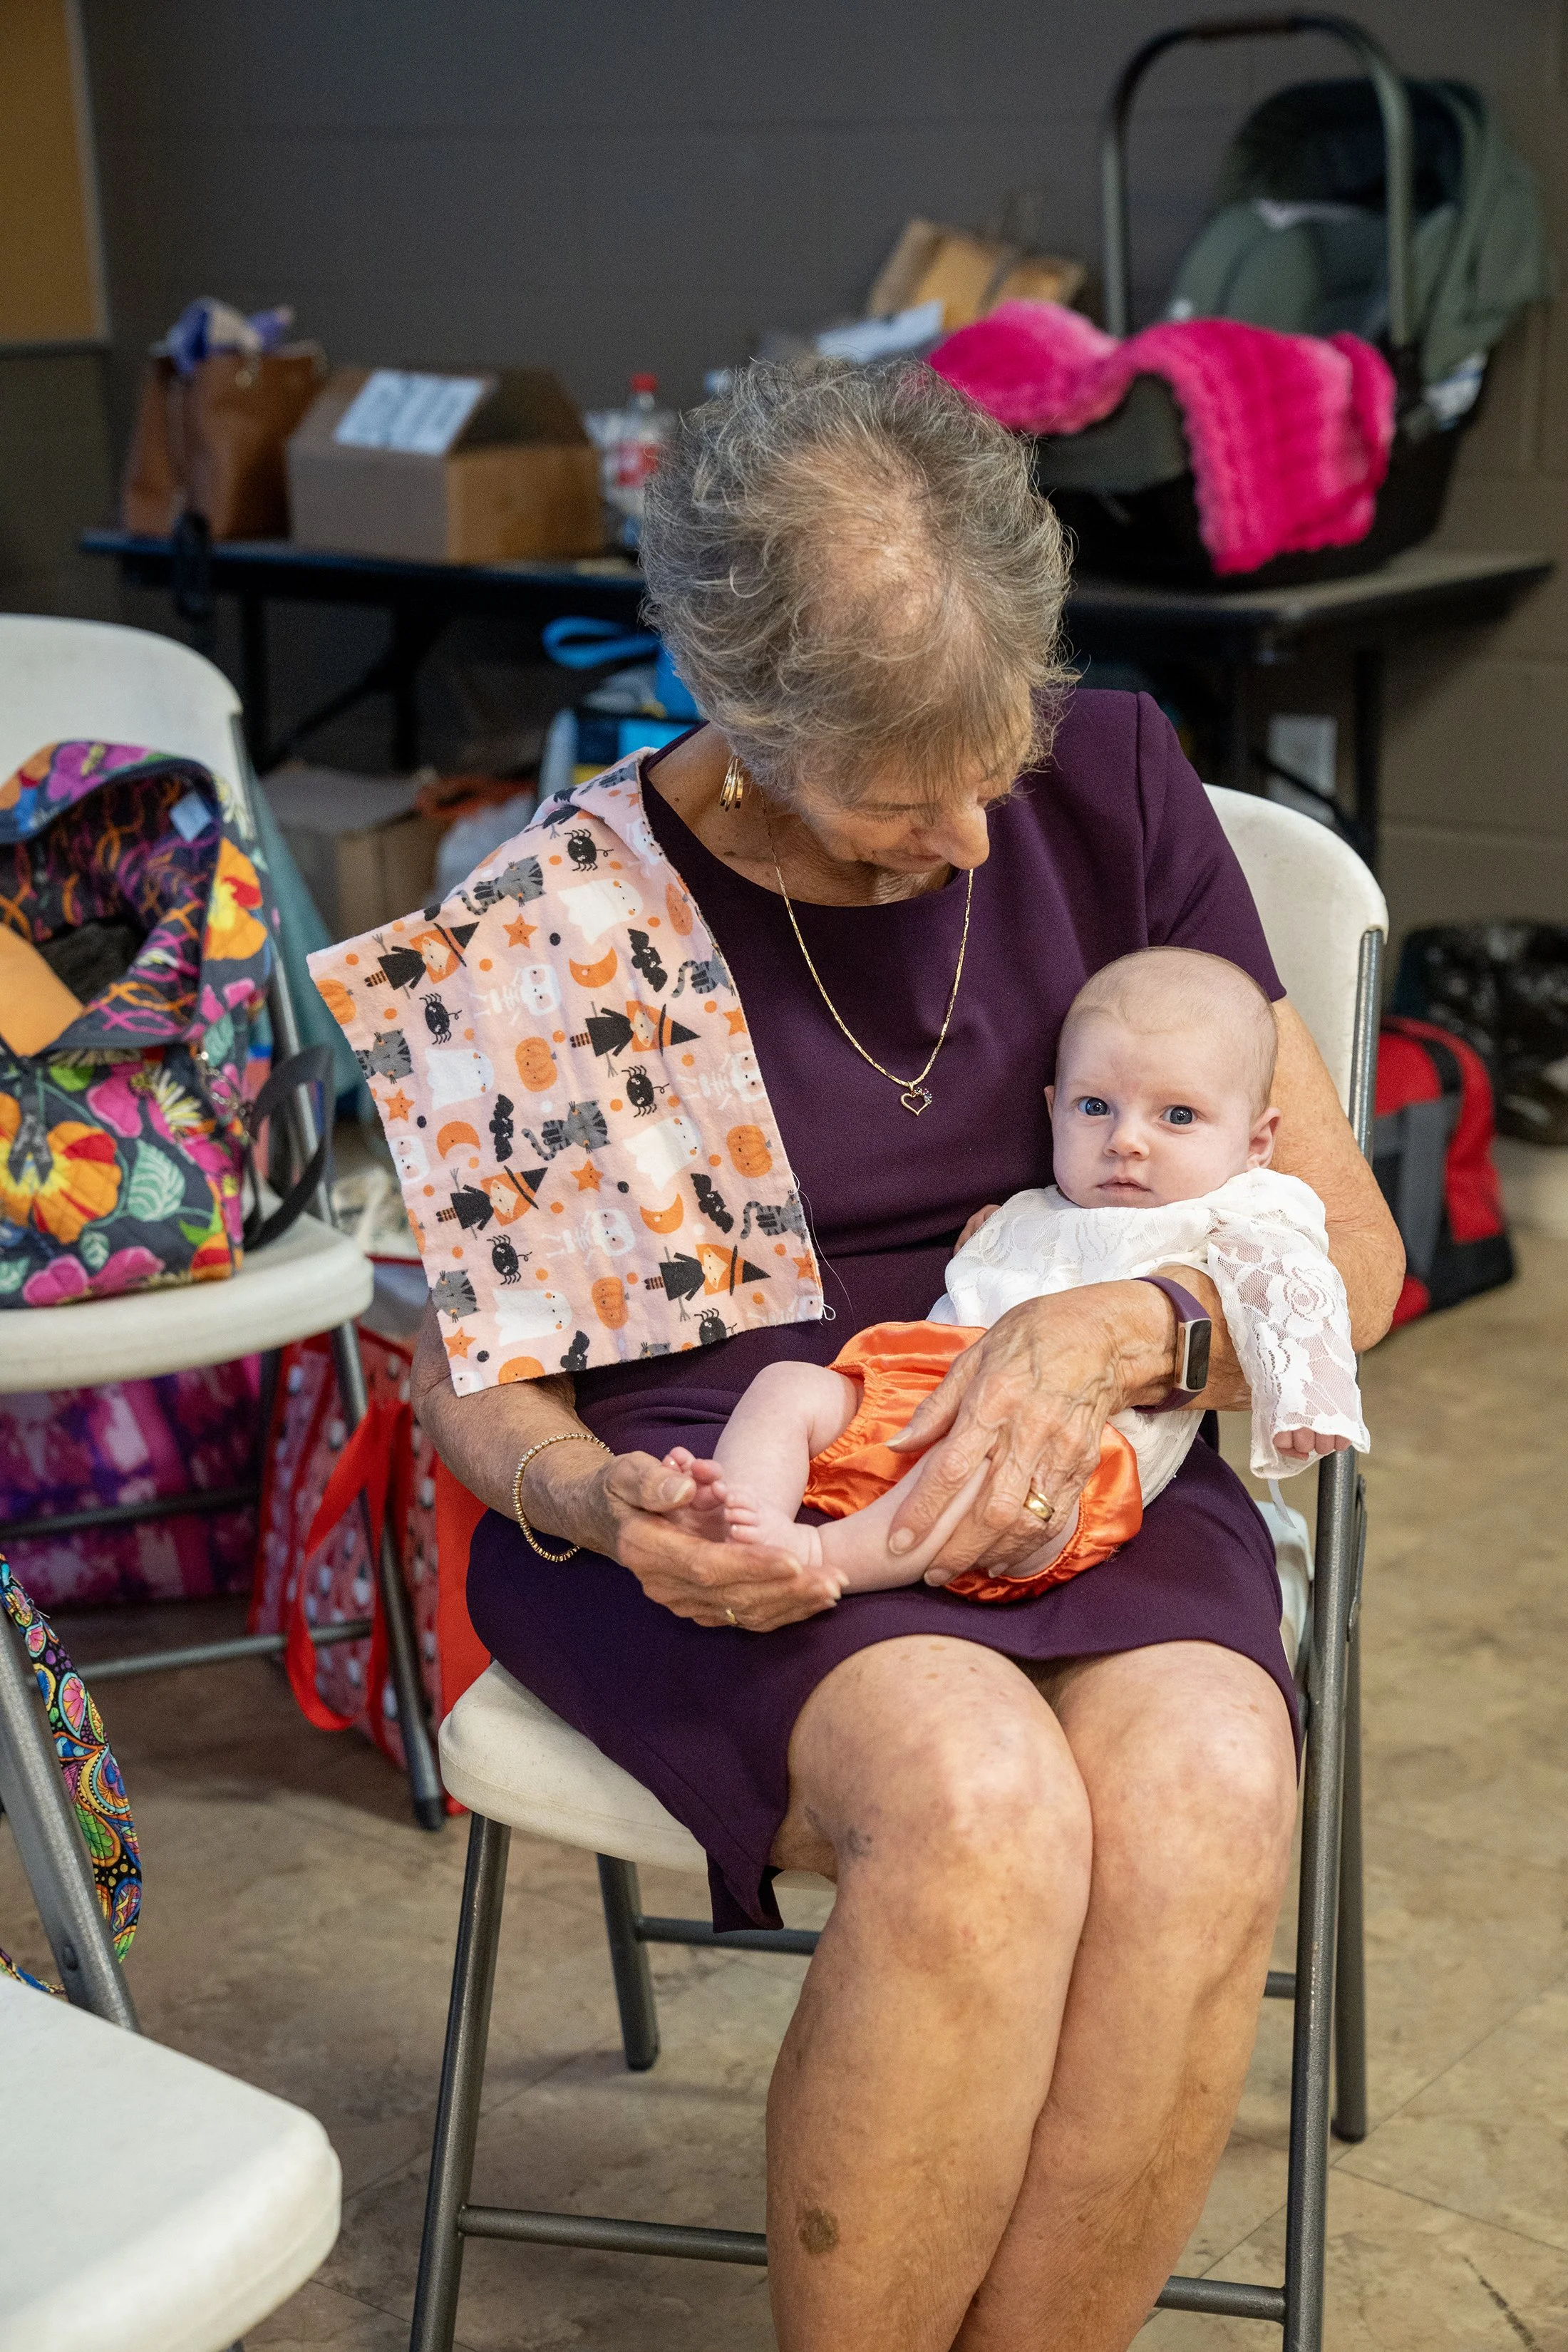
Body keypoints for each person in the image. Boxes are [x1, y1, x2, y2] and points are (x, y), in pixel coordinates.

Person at [411, 357, 1404, 2352]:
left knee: (1211, 1781)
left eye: (996, 753)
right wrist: (603, 1503)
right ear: (736, 714)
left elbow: (1356, 1248)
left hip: (1092, 1429)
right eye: (894, 787)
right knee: (978, 1804)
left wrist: (1138, 1319)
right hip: (726, 1468)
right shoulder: (557, 916)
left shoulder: (1110, 786)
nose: (970, 833)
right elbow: (471, 1374)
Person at [659, 944, 1368, 1602]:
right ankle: (740, 1508)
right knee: (790, 1388)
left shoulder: (1236, 1211)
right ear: (1052, 1108)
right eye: (1094, 1107)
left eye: (1177, 1115)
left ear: (1255, 1143)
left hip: (1066, 1464)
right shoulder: (1033, 1207)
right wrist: (992, 1241)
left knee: (975, 1476)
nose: (1124, 1140)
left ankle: (814, 1560)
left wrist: (1307, 1400)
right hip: (924, 1400)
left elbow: (1296, 1289)